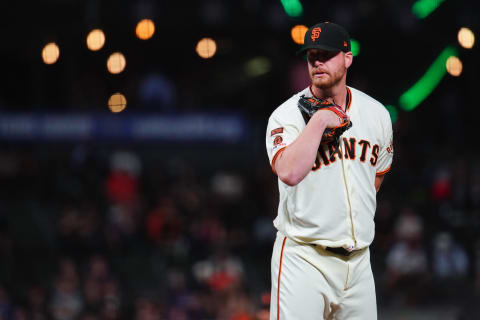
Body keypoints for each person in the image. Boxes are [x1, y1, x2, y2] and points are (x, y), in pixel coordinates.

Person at [265, 22, 393, 319]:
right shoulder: (287, 115)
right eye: (312, 56)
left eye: (326, 54)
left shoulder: (376, 114)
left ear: (347, 58)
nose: (317, 62)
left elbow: (377, 175)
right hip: (304, 257)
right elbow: (289, 172)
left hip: (359, 261)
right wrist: (320, 121)